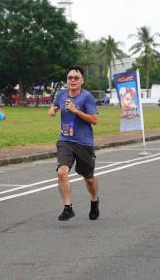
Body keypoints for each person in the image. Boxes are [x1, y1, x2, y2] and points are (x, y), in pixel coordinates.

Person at [48, 66, 100, 221]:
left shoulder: (87, 97)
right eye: (69, 78)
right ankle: (68, 208)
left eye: (76, 78)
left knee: (88, 178)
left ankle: (94, 200)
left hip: (84, 142)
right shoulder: (61, 95)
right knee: (62, 171)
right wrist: (52, 109)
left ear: (82, 80)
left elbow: (95, 120)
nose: (72, 80)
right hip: (65, 140)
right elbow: (56, 104)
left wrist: (76, 110)